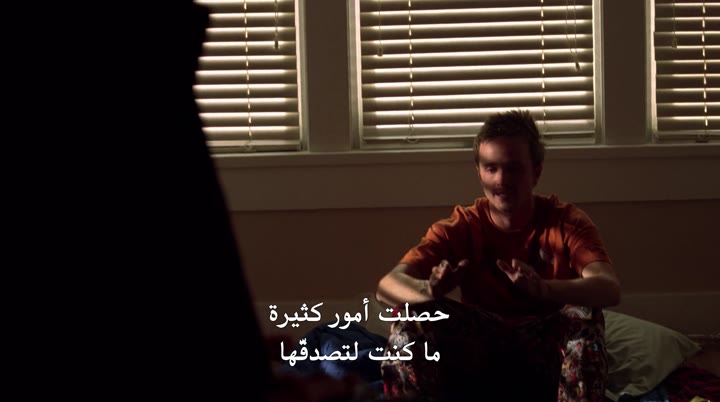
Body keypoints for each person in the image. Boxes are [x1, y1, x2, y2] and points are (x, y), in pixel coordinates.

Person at [375, 110, 621, 402]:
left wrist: (544, 289)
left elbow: (608, 287)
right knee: (411, 314)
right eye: (491, 168)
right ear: (478, 171)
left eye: (513, 168)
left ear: (536, 171)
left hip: (545, 354)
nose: (501, 180)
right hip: (477, 353)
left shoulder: (566, 222)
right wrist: (430, 290)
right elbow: (386, 287)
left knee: (585, 315)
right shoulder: (460, 226)